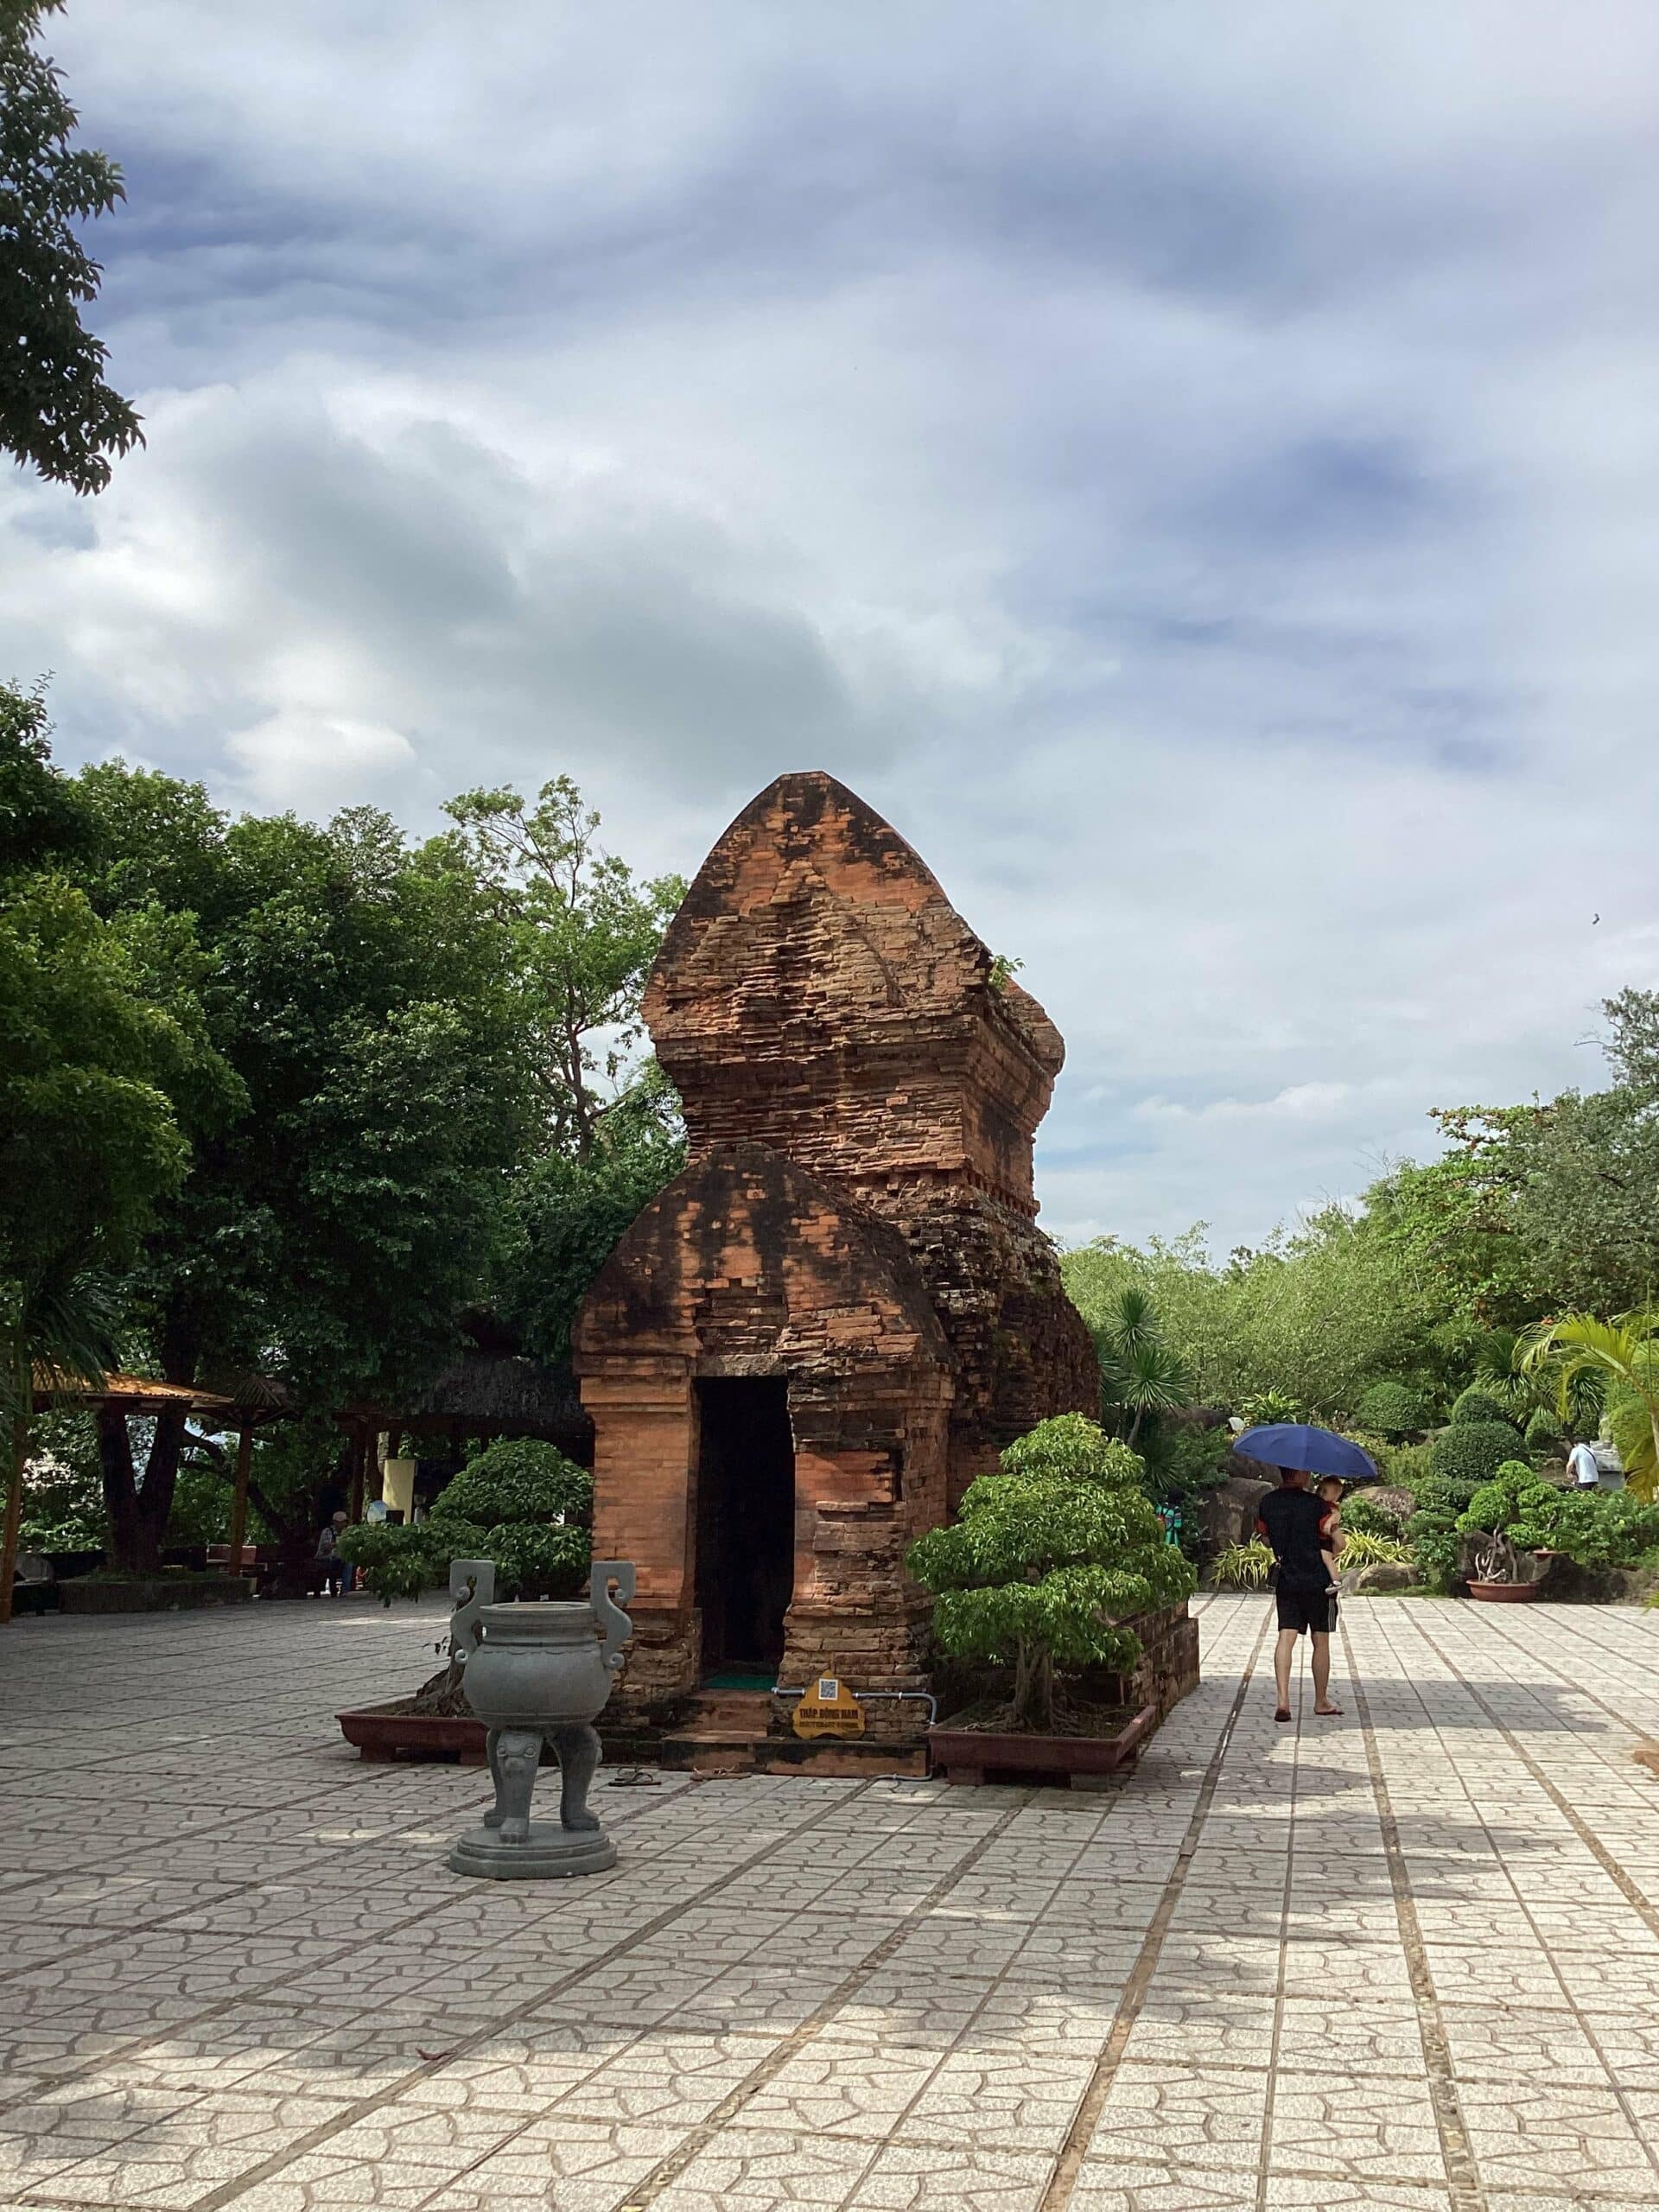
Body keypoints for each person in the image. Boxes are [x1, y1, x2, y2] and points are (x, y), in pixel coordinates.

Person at [1255, 1467, 1343, 1724]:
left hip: (1287, 1579)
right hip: (1319, 1581)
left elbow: (1265, 1539)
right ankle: (1321, 1701)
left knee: (1286, 1636)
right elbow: (1336, 1542)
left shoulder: (1268, 1502)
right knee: (1321, 1640)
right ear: (1302, 1474)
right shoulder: (1318, 1506)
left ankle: (1283, 1702)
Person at [1315, 1476, 1344, 1594]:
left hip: (1324, 1540)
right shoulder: (1321, 1505)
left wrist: (1329, 1522)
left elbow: (1336, 1514)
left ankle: (1336, 1581)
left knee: (1327, 1559)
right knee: (1328, 1558)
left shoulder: (1331, 1507)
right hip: (1322, 1539)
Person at [315, 1510, 349, 1595]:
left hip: (339, 1557)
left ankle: (345, 1590)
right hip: (324, 1557)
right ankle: (331, 1588)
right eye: (339, 1522)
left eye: (343, 1522)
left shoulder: (347, 1532)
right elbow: (325, 1547)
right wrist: (338, 1544)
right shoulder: (327, 1532)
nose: (342, 1524)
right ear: (335, 1522)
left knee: (349, 1562)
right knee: (333, 1562)